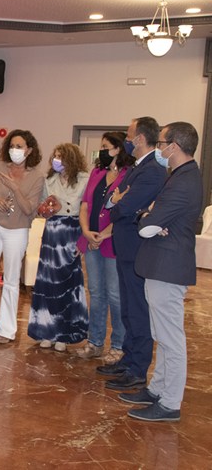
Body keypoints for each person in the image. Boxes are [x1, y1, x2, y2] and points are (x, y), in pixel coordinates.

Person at [121, 122, 202, 422]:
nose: (159, 148)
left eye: (162, 143)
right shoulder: (180, 175)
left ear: (174, 147)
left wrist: (147, 215)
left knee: (170, 338)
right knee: (162, 334)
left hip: (168, 266)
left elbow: (147, 225)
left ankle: (169, 403)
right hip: (161, 265)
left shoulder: (184, 181)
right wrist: (150, 215)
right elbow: (152, 219)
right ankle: (157, 389)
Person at [98, 117, 166, 391]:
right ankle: (128, 358)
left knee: (138, 309)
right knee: (128, 308)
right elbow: (112, 199)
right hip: (125, 247)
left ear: (140, 138)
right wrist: (116, 201)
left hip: (137, 249)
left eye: (128, 135)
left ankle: (137, 368)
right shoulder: (138, 167)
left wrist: (116, 203)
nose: (127, 140)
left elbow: (123, 207)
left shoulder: (153, 171)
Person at [76, 132, 133, 363]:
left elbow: (126, 210)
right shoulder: (97, 172)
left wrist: (105, 233)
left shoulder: (129, 174)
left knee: (115, 295)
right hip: (91, 240)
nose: (102, 150)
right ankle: (95, 342)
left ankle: (118, 345)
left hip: (112, 241)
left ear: (118, 149)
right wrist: (86, 231)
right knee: (96, 293)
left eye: (106, 146)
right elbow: (85, 205)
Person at [27, 143, 90, 352]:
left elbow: (84, 208)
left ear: (71, 159)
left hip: (71, 232)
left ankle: (63, 334)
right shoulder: (49, 179)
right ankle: (46, 331)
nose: (57, 160)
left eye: (60, 157)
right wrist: (45, 208)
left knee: (66, 284)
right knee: (48, 283)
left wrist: (62, 205)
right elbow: (42, 207)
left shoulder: (84, 179)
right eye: (55, 156)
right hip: (51, 233)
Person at [0, 129, 45, 344]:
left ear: (29, 150)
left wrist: (15, 188)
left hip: (18, 229)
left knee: (11, 280)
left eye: (19, 147)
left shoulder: (37, 176)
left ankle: (6, 329)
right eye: (11, 146)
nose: (14, 150)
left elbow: (30, 208)